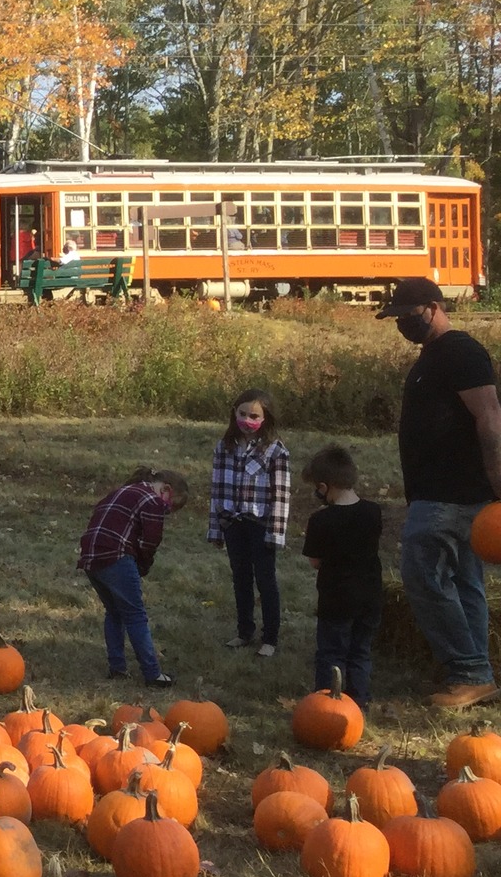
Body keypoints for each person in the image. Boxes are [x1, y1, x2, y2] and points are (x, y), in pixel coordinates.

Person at [381, 277, 501, 708]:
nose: (400, 325)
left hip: (450, 493)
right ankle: (476, 674)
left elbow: (489, 417)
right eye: (395, 318)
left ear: (433, 307)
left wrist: (498, 481)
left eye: (407, 316)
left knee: (424, 575)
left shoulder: (461, 352)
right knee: (464, 582)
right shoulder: (435, 355)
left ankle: (468, 670)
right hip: (440, 492)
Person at [77, 466, 190, 688]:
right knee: (135, 615)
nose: (166, 511)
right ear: (165, 489)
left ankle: (117, 668)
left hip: (92, 558)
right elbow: (150, 541)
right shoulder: (152, 500)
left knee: (115, 612)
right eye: (170, 507)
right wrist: (143, 567)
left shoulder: (122, 491)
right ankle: (152, 673)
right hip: (117, 555)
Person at [205, 388, 289, 658]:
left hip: (260, 524)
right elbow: (217, 489)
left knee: (265, 580)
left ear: (265, 418)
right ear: (234, 413)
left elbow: (281, 495)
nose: (247, 420)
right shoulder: (224, 447)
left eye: (254, 415)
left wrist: (275, 533)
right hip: (233, 522)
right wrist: (216, 528)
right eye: (242, 414)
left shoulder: (275, 451)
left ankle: (270, 637)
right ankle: (244, 631)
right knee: (240, 577)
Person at [302, 444, 382, 709]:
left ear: (324, 487)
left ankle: (327, 703)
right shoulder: (373, 512)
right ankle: (359, 700)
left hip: (336, 599)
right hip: (369, 596)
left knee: (331, 653)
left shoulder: (320, 521)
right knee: (360, 651)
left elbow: (315, 561)